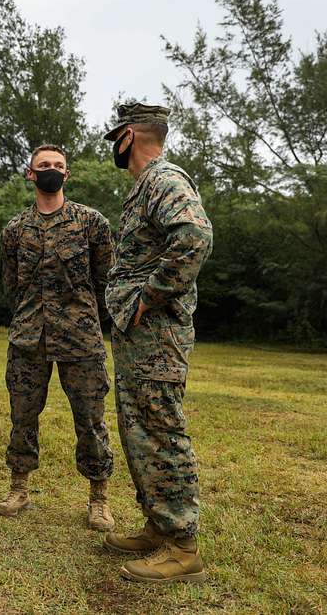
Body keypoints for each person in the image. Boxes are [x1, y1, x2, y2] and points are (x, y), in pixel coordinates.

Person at [101, 103, 213, 583]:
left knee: (161, 428)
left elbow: (194, 236)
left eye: (114, 138)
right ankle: (159, 527)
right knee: (140, 428)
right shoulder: (144, 188)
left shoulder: (165, 179)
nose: (112, 148)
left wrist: (151, 295)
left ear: (128, 136)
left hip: (157, 334)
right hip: (139, 337)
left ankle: (183, 547)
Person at [0, 143, 116, 532]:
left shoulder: (91, 223)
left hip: (81, 340)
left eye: (58, 165)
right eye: (43, 165)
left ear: (68, 174)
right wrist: (28, 317)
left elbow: (105, 281)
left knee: (91, 420)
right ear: (30, 174)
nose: (51, 170)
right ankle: (19, 488)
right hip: (29, 338)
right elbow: (11, 286)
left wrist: (88, 319)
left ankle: (99, 498)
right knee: (23, 416)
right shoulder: (15, 230)